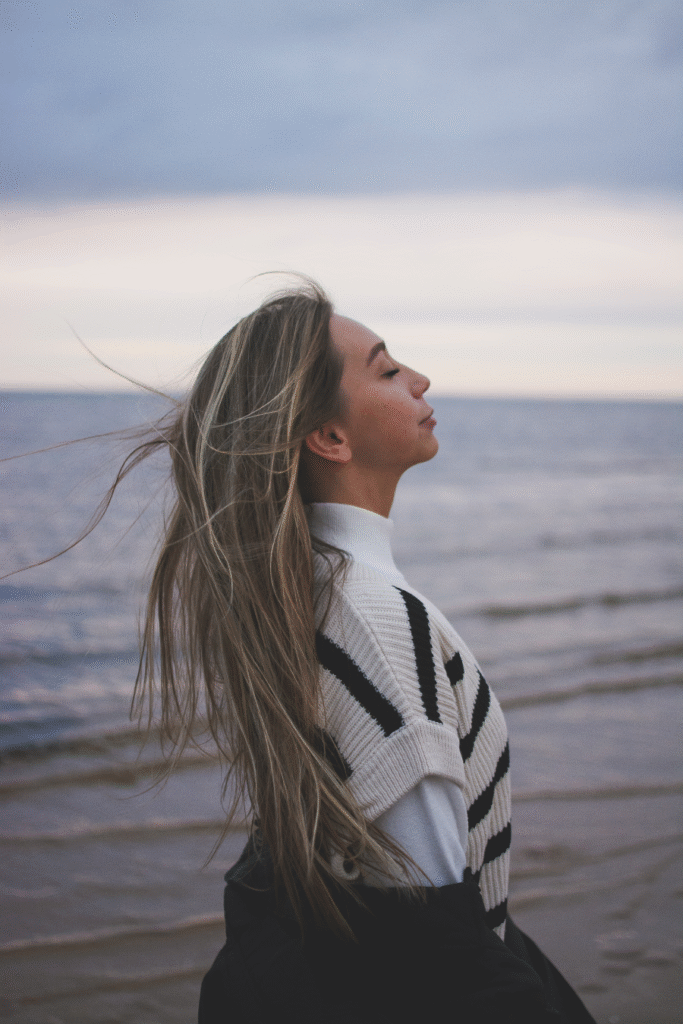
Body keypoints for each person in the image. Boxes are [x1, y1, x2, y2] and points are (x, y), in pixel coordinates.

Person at [102, 278, 596, 1022]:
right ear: (328, 438)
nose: (420, 379)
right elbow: (436, 939)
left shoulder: (317, 594)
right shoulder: (372, 619)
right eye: (388, 370)